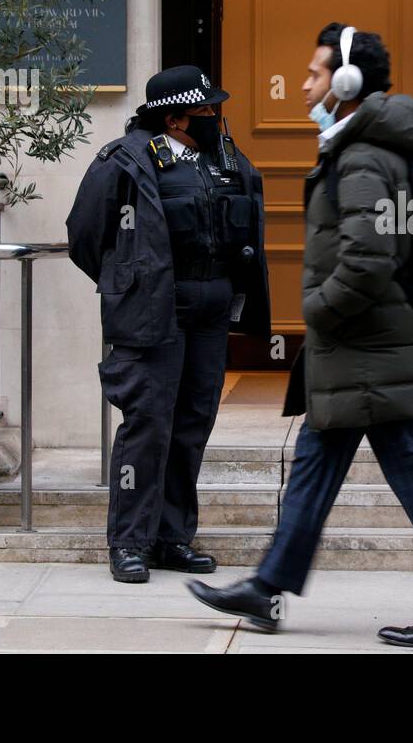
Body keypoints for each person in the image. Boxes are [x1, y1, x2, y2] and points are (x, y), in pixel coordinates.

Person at [186, 23, 413, 647]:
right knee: (314, 471)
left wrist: (319, 311)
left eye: (315, 72)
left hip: (373, 352)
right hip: (360, 351)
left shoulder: (362, 158)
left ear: (345, 83)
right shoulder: (358, 147)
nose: (303, 83)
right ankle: (267, 588)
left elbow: (369, 258)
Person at [66, 65, 270, 583]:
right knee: (148, 424)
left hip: (211, 312)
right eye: (204, 111)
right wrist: (129, 280)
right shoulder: (125, 161)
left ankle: (172, 538)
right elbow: (85, 235)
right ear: (174, 118)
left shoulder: (224, 157)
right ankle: (130, 543)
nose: (214, 118)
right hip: (155, 310)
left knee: (192, 422)